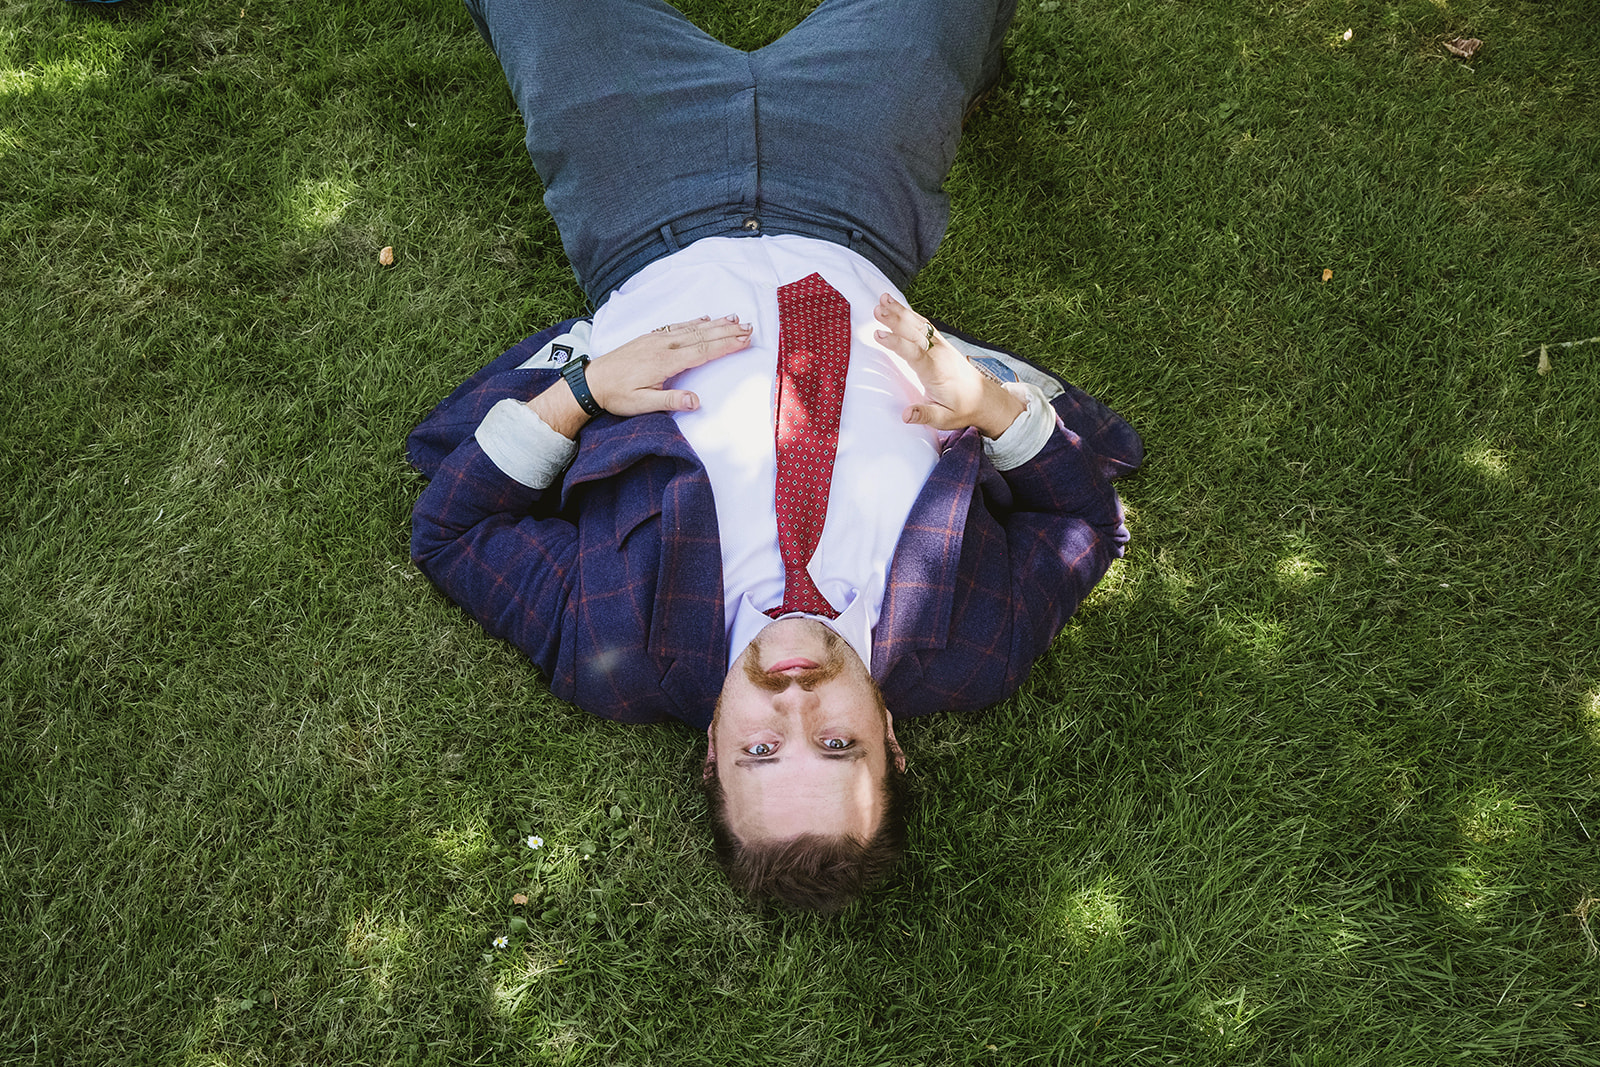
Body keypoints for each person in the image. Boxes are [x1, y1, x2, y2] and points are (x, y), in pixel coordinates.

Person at [409, 0, 1143, 913]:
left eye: (761, 750)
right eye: (838, 745)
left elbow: (452, 531)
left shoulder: (614, 647)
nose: (796, 702)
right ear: (891, 740)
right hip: (855, 203)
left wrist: (584, 392)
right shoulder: (974, 646)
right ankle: (965, 61)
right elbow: (1085, 523)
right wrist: (990, 405)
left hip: (647, 208)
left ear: (711, 750)